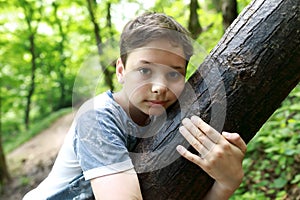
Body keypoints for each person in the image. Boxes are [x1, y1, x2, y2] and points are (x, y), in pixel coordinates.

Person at [23, 12, 246, 200]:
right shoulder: (97, 118)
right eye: (145, 70)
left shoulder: (170, 117)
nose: (159, 86)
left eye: (173, 73)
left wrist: (227, 183)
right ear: (121, 71)